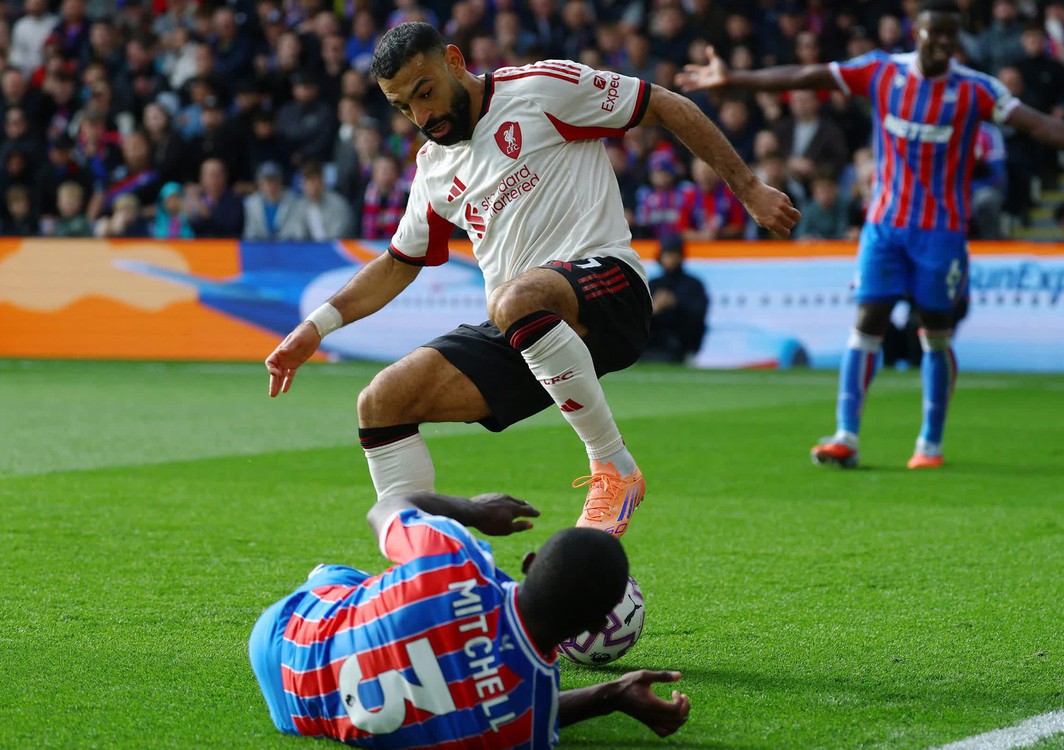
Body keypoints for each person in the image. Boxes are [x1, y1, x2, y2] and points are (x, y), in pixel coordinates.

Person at [263, 22, 799, 536]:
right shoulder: (432, 168)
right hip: (526, 326)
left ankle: (613, 467)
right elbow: (398, 262)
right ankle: (421, 570)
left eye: (425, 92)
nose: (421, 115)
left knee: (512, 299)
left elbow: (664, 104)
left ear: (454, 61)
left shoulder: (541, 89)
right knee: (382, 402)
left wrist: (748, 188)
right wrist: (315, 327)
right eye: (403, 106)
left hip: (609, 288)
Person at [677, 0, 1064, 470]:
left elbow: (1038, 123)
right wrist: (734, 79)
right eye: (936, 34)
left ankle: (930, 440)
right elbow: (808, 75)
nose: (945, 43)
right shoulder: (882, 72)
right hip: (885, 228)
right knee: (868, 323)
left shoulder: (976, 89)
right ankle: (846, 435)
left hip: (941, 234)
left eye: (952, 35)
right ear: (918, 32)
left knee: (935, 333)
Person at [250, 490, 689, 747]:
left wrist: (472, 511)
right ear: (594, 629)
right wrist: (609, 694)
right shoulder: (527, 727)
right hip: (294, 714)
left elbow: (386, 505)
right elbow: (540, 711)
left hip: (280, 636)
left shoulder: (454, 555)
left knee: (353, 580)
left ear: (531, 561)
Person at [644, 235, 709, 364]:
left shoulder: (692, 284)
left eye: (673, 254)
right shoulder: (653, 284)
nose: (670, 259)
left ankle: (686, 355)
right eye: (667, 255)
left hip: (681, 340)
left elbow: (700, 313)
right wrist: (654, 309)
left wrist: (675, 303)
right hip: (653, 340)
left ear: (681, 256)